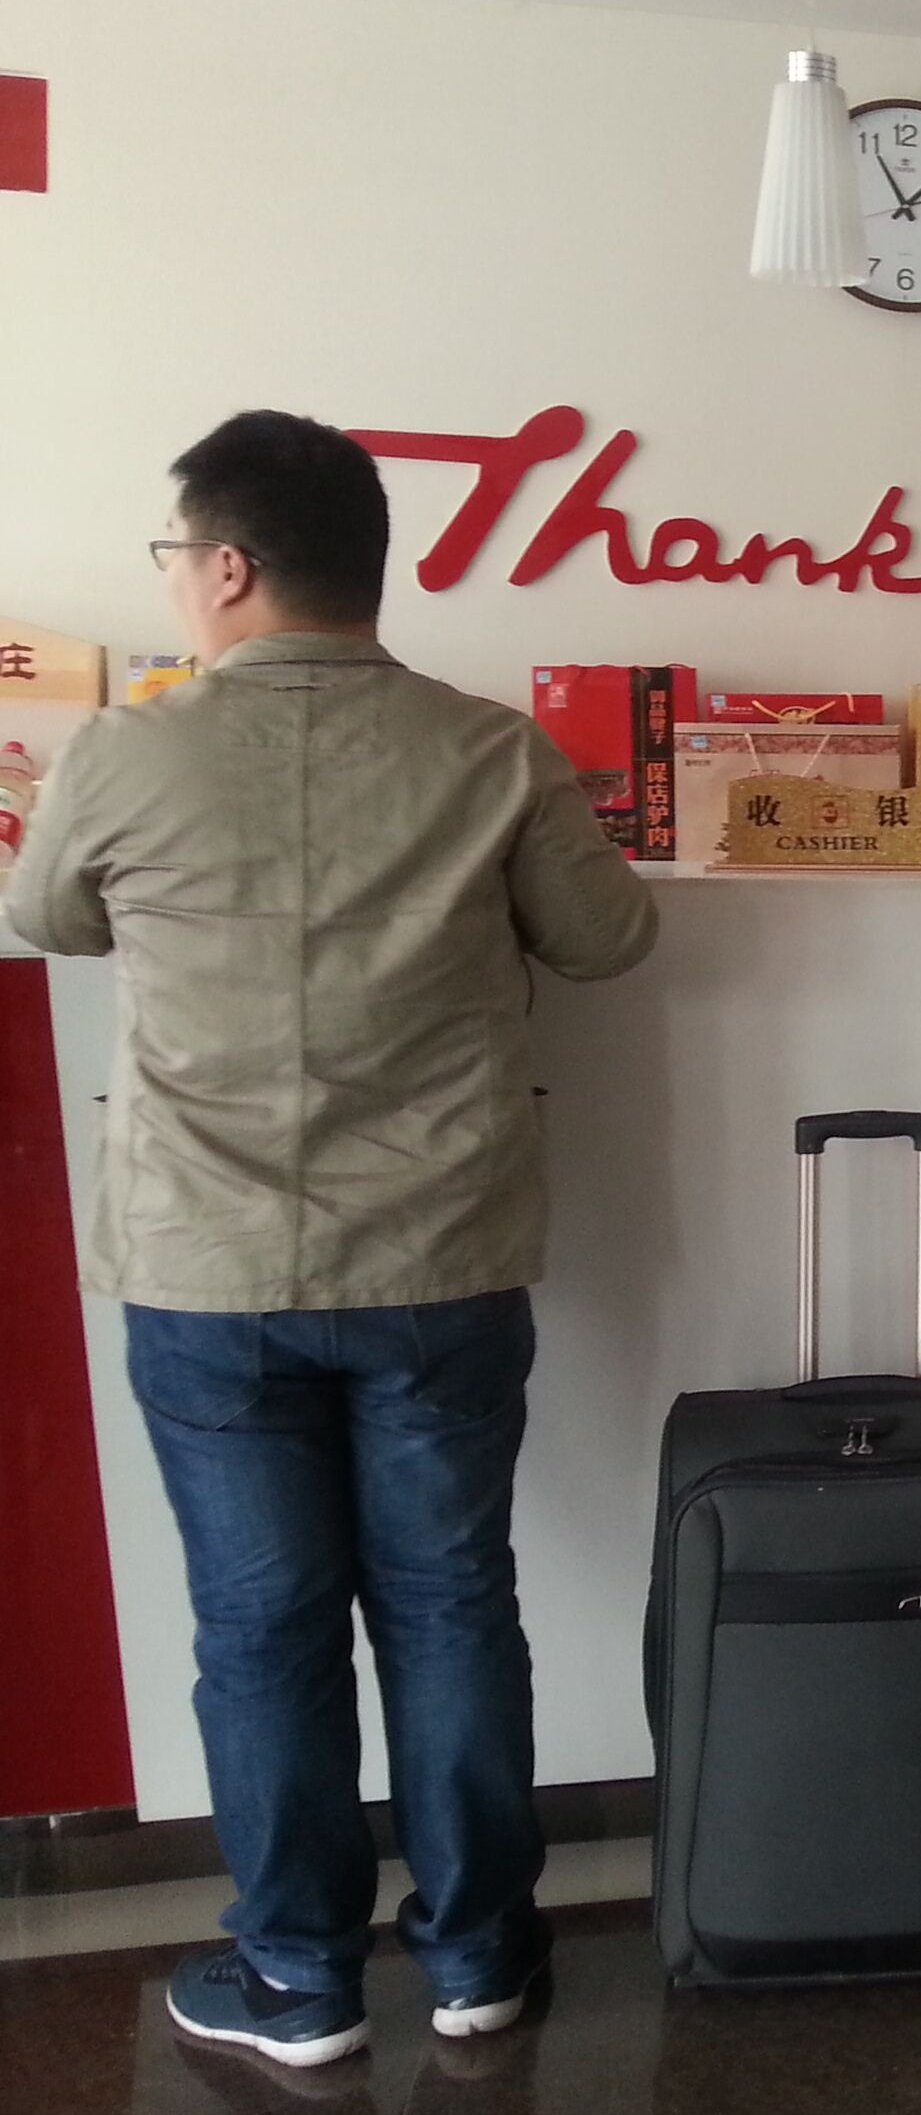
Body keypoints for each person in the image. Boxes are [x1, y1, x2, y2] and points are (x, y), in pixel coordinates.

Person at [5, 411, 658, 2068]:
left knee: (260, 1627)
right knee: (452, 1606)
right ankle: (480, 1957)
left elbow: (42, 916)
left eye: (177, 557)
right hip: (440, 1256)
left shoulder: (122, 751)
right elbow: (607, 939)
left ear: (228, 567)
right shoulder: (493, 750)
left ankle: (297, 1976)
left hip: (208, 1267)